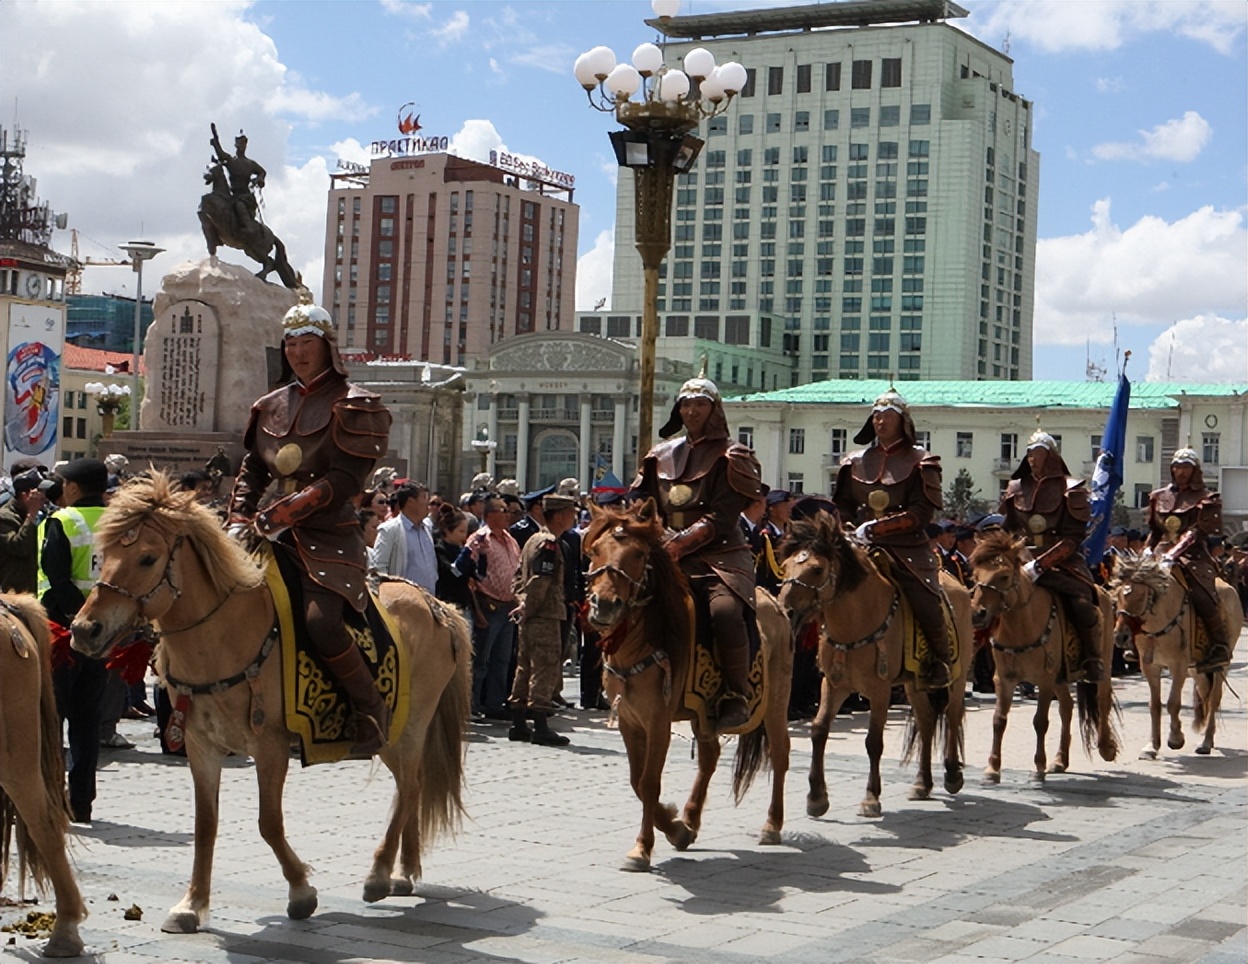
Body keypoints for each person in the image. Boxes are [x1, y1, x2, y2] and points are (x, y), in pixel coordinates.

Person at [229, 300, 393, 756]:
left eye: (308, 344)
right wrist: (240, 515)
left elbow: (345, 480)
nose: (299, 353)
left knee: (321, 624)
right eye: (291, 344)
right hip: (262, 529)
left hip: (328, 535)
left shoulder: (355, 402)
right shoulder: (270, 404)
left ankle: (369, 709)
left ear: (327, 347)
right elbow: (252, 469)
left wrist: (287, 513)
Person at [633, 367, 766, 731]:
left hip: (719, 556)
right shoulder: (659, 454)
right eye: (686, 404)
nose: (692, 411)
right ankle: (620, 680)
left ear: (715, 410)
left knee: (723, 612)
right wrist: (651, 535)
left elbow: (722, 517)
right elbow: (643, 504)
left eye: (700, 404)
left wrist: (679, 543)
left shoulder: (732, 455)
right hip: (665, 551)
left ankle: (736, 692)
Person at [834, 389, 952, 689]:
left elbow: (922, 513)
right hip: (857, 543)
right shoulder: (854, 461)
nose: (880, 421)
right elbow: (843, 504)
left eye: (887, 416)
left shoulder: (922, 461)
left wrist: (876, 529)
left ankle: (940, 659)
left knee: (925, 599)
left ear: (903, 422)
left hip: (906, 546)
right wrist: (848, 528)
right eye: (876, 415)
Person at [998, 429, 1103, 682]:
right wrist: (1015, 557)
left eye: (1039, 453)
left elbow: (1073, 538)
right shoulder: (1015, 488)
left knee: (1082, 605)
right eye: (1030, 454)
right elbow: (1008, 530)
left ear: (1051, 456)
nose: (1033, 459)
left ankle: (1090, 658)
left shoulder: (1071, 488)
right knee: (987, 597)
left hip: (1062, 564)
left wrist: (1040, 564)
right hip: (1021, 563)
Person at [39, 458, 111, 823]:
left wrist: (74, 618)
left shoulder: (63, 520)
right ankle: (81, 801)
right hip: (102, 635)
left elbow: (56, 575)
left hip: (60, 631)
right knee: (87, 719)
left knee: (52, 718)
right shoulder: (119, 521)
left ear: (71, 487)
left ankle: (50, 797)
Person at [1144, 448, 1231, 674]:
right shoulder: (1158, 496)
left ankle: (1219, 643)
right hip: (1160, 554)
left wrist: (1173, 555)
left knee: (1202, 595)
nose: (1180, 472)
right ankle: (1133, 639)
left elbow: (1196, 532)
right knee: (1132, 590)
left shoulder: (1207, 498)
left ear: (1194, 470)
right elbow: (1155, 530)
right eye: (1177, 467)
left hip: (1193, 556)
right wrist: (1146, 551)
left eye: (1185, 468)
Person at [508, 493, 580, 746]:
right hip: (545, 613)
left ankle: (518, 722)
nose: (575, 517)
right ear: (560, 515)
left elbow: (518, 576)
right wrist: (530, 606)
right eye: (572, 512)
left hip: (530, 614)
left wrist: (520, 602)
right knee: (545, 667)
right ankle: (539, 724)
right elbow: (540, 580)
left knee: (524, 665)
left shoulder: (532, 540)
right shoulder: (549, 543)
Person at [455, 495, 521, 719]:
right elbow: (463, 568)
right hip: (488, 604)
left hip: (508, 607)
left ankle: (494, 704)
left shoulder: (510, 540)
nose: (507, 514)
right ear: (490, 514)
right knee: (481, 658)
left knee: (501, 659)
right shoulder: (480, 539)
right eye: (503, 510)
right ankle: (472, 704)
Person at [369, 483, 437, 593]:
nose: (428, 503)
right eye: (424, 498)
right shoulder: (390, 530)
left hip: (428, 601)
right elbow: (378, 568)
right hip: (402, 603)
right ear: (411, 502)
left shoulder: (427, 529)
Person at [210, 123, 266, 239]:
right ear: (236, 144)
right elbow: (221, 154)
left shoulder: (250, 164)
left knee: (239, 205)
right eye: (240, 143)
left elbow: (262, 172)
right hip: (232, 195)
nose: (242, 146)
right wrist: (215, 144)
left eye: (244, 143)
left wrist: (258, 179)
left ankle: (249, 226)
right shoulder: (231, 161)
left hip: (244, 196)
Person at [1, 461, 48, 593]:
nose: (44, 497)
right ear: (26, 495)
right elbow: (19, 547)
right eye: (40, 492)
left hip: (35, 591)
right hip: (14, 593)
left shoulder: (43, 514)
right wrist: (32, 515)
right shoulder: (5, 517)